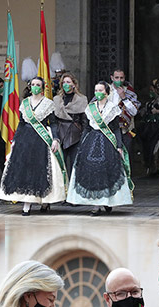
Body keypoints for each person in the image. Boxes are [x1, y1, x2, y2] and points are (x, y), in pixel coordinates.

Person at [0, 76, 67, 214]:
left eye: (38, 84)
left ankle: (44, 201)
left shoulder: (48, 103)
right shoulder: (24, 103)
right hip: (25, 139)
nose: (35, 86)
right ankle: (27, 203)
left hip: (41, 140)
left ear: (42, 88)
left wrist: (55, 139)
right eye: (33, 84)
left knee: (41, 170)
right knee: (26, 170)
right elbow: (21, 124)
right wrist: (15, 141)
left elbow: (53, 123)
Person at [67, 82, 133, 213]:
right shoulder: (90, 108)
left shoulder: (112, 108)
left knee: (107, 171)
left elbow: (116, 129)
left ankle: (107, 201)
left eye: (100, 90)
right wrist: (82, 144)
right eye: (96, 90)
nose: (97, 92)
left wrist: (119, 146)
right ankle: (96, 205)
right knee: (93, 171)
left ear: (106, 93)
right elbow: (86, 128)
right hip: (92, 141)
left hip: (108, 142)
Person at [52, 72, 88, 177]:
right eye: (63, 82)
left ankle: (72, 190)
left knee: (74, 165)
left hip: (75, 135)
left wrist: (83, 137)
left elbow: (85, 122)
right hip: (60, 134)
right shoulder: (57, 99)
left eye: (68, 82)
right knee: (60, 166)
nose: (65, 84)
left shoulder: (81, 99)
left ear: (74, 84)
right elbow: (53, 120)